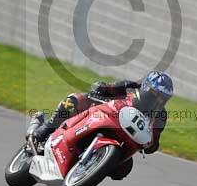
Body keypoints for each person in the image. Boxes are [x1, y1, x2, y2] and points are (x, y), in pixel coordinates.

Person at [27, 71, 174, 179]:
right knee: (74, 100)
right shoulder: (129, 87)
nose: (158, 100)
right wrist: (100, 88)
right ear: (146, 87)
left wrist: (150, 145)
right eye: (155, 94)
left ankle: (94, 165)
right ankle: (45, 128)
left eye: (163, 98)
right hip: (105, 115)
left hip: (125, 138)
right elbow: (106, 88)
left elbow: (154, 141)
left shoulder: (160, 116)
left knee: (123, 170)